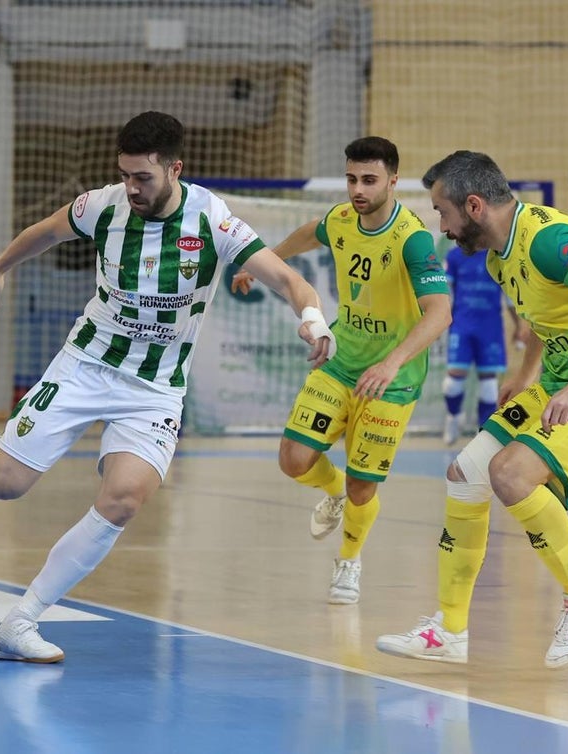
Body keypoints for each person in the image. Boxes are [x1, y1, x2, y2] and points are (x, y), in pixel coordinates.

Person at [0, 111, 333, 663]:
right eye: (124, 174)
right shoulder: (103, 206)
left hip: (156, 388)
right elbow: (44, 232)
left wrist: (313, 319)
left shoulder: (211, 219)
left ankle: (20, 623)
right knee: (5, 486)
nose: (131, 186)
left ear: (175, 168)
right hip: (87, 365)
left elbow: (289, 279)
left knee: (123, 501)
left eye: (143, 177)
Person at [376, 151, 568, 669]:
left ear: (473, 205)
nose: (441, 227)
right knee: (465, 472)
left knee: (509, 474)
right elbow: (545, 319)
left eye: (442, 213)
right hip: (559, 382)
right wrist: (527, 375)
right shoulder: (495, 257)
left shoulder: (551, 241)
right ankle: (450, 629)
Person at [232, 137, 452, 605]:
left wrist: (392, 364)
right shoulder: (342, 219)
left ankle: (349, 561)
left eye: (369, 180)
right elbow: (313, 231)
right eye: (352, 179)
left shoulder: (412, 239)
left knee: (362, 484)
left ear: (393, 181)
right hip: (342, 362)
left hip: (393, 380)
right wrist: (266, 261)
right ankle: (330, 492)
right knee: (293, 460)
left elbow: (440, 313)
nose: (358, 189)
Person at [441, 244, 530, 445]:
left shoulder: (498, 257)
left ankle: (482, 433)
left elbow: (508, 298)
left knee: (489, 384)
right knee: (453, 381)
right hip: (461, 327)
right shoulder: (454, 256)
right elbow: (445, 294)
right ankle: (453, 415)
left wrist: (519, 326)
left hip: (489, 329)